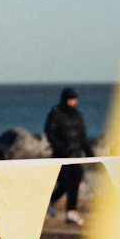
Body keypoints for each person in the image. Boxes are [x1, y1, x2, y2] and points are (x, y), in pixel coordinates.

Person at [44, 86, 91, 226]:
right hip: (62, 155)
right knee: (64, 183)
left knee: (75, 183)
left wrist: (89, 153)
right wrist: (61, 149)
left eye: (74, 100)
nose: (72, 103)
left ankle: (71, 212)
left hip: (75, 155)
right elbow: (50, 132)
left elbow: (82, 135)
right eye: (70, 100)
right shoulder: (56, 113)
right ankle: (50, 202)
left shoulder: (77, 115)